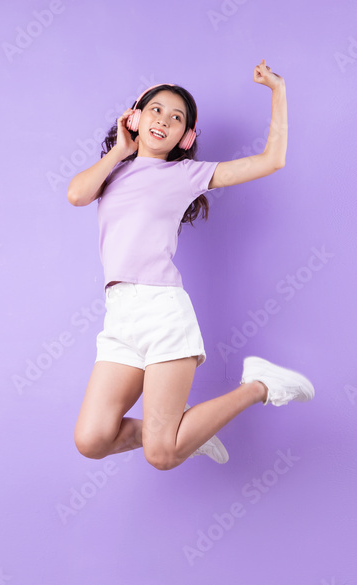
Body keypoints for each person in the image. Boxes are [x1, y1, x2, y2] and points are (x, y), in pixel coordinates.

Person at [66, 59, 314, 471]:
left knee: (161, 455)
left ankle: (260, 384)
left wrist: (278, 91)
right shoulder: (113, 172)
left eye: (176, 117)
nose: (163, 120)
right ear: (135, 116)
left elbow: (272, 160)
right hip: (119, 318)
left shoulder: (185, 175)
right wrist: (121, 149)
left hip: (161, 312)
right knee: (92, 439)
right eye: (155, 109)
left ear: (187, 136)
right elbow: (77, 194)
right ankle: (188, 433)